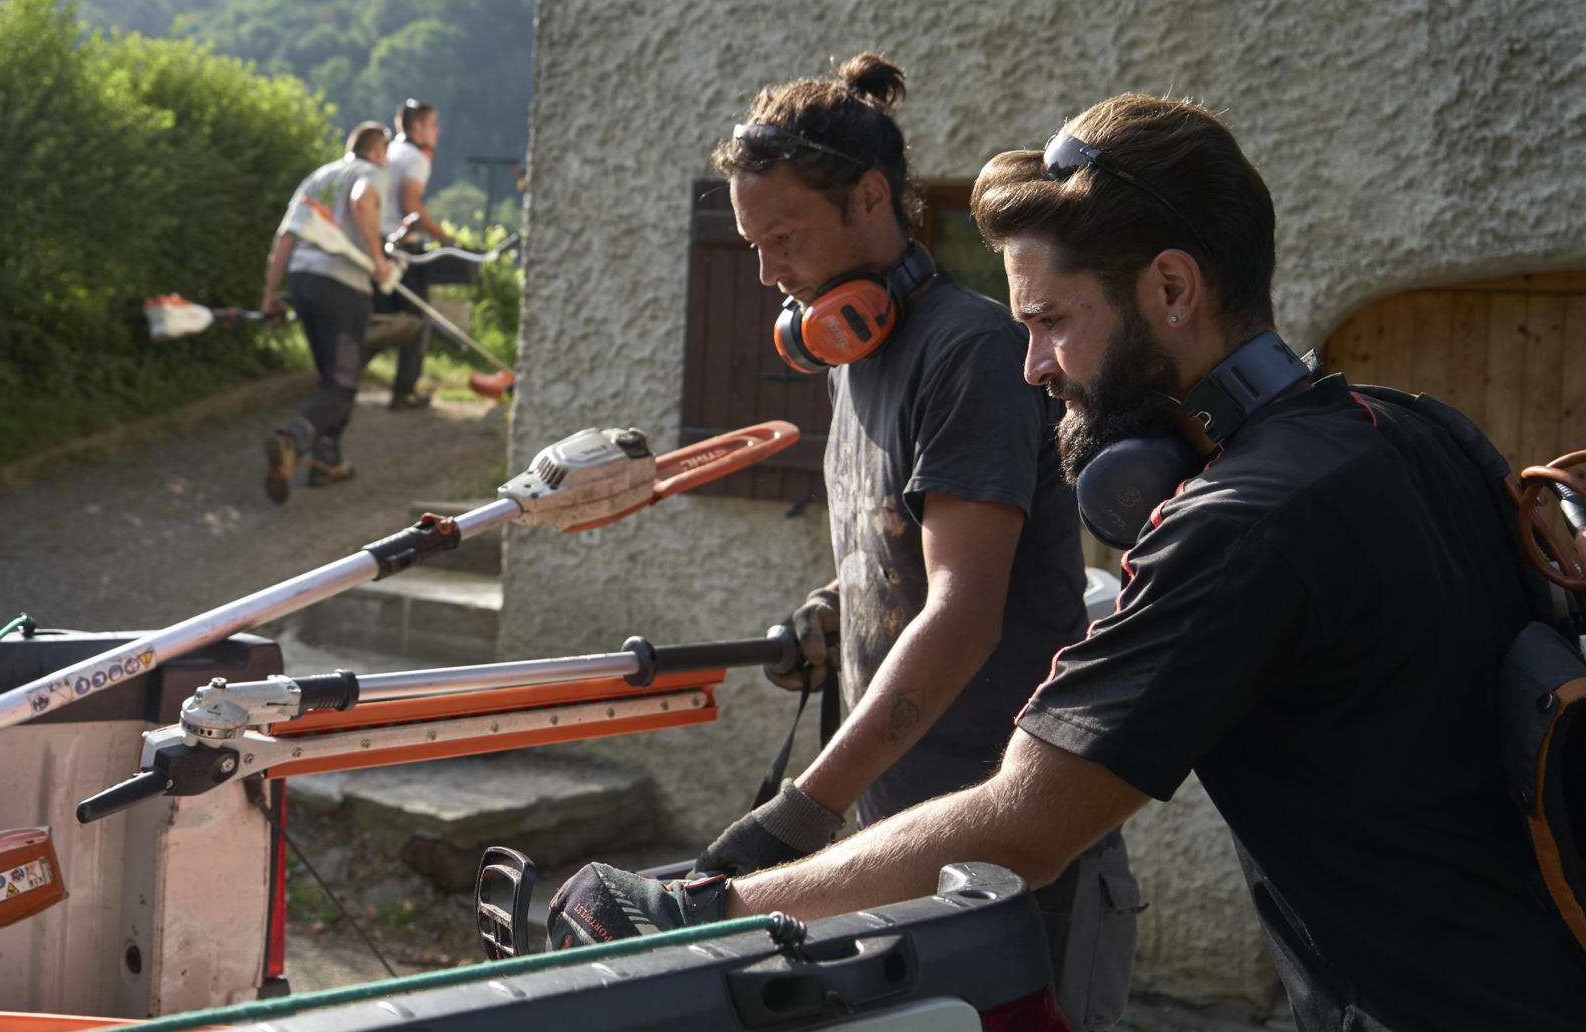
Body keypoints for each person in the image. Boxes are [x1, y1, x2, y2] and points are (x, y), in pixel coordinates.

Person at [547, 95, 1586, 1032]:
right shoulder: (1419, 430)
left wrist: (701, 905)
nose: (1035, 366)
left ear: (1172, 287)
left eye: (1049, 321)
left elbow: (1025, 822)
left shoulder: (1241, 522)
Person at [686, 54, 1133, 1028]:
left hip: (1012, 850)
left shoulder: (967, 353)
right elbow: (919, 549)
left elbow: (965, 615)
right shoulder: (856, 359)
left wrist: (802, 813)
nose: (768, 271)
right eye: (752, 244)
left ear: (872, 197)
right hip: (907, 834)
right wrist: (841, 607)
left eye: (784, 237)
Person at [260, 121, 393, 504]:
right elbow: (363, 202)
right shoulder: (371, 173)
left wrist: (270, 293)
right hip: (343, 287)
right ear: (379, 150)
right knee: (343, 383)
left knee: (331, 378)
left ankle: (326, 459)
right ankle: (293, 437)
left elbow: (286, 234)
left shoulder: (318, 177)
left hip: (303, 281)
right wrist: (378, 260)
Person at [379, 98, 447, 410]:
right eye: (433, 124)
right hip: (402, 247)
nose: (439, 131)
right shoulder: (417, 158)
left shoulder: (390, 151)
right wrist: (446, 237)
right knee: (419, 318)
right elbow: (411, 206)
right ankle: (404, 390)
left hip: (376, 240)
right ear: (416, 126)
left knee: (377, 314)